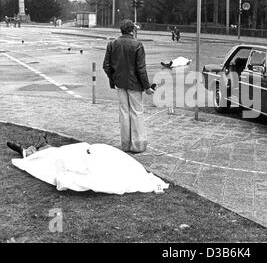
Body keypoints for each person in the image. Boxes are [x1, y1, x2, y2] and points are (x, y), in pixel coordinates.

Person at [6, 138, 169, 194]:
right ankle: (41, 148)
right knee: (64, 153)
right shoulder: (129, 171)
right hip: (91, 154)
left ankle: (30, 152)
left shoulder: (110, 178)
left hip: (85, 162)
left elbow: (67, 178)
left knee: (54, 160)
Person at [103, 19, 154, 153]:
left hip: (120, 84)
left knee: (124, 113)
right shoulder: (138, 45)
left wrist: (113, 79)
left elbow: (106, 66)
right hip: (135, 85)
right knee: (136, 112)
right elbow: (141, 69)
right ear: (133, 30)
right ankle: (138, 145)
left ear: (121, 30)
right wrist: (147, 87)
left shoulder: (112, 44)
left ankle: (125, 144)